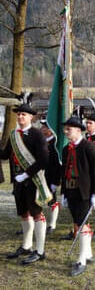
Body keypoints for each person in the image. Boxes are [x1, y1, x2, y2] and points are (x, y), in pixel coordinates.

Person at [2, 104, 50, 265]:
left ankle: (40, 250)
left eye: (23, 114)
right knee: (23, 213)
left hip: (33, 180)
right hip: (18, 181)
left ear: (31, 117)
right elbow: (4, 154)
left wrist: (26, 174)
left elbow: (43, 160)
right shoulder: (13, 134)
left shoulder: (37, 135)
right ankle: (26, 246)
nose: (20, 117)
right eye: (19, 114)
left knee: (37, 214)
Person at [61, 116, 95, 276]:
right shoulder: (66, 149)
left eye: (69, 129)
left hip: (85, 193)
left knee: (82, 225)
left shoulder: (90, 148)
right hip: (71, 191)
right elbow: (64, 173)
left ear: (78, 131)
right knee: (78, 223)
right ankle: (88, 254)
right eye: (65, 129)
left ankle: (81, 260)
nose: (66, 132)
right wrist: (64, 193)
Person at [40, 118, 62, 234]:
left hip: (51, 176)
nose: (42, 129)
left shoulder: (55, 144)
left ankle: (52, 224)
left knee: (51, 200)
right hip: (40, 175)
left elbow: (57, 164)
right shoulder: (41, 141)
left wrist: (56, 181)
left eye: (45, 127)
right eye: (42, 127)